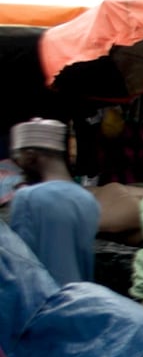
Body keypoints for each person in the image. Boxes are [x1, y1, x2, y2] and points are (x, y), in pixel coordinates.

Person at [7, 118, 100, 285]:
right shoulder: (87, 200)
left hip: (42, 297)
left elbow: (20, 265)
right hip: (80, 296)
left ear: (31, 155)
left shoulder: (27, 198)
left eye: (19, 158)